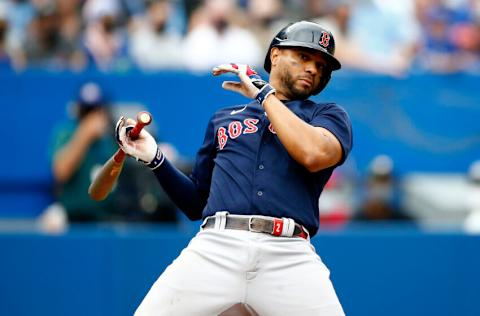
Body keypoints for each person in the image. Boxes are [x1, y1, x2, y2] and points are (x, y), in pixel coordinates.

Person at [116, 20, 352, 315]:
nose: (313, 69)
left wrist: (264, 96)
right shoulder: (225, 118)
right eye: (304, 57)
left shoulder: (327, 115)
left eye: (321, 66)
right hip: (217, 245)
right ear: (275, 55)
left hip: (288, 253)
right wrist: (155, 159)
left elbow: (314, 153)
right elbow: (195, 204)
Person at [48, 81, 178, 223]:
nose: (91, 118)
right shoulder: (67, 132)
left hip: (112, 216)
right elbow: (60, 172)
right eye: (86, 111)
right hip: (73, 214)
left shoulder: (115, 134)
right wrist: (84, 134)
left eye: (96, 111)